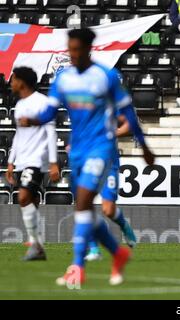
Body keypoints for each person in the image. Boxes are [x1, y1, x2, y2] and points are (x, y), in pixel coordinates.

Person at [19, 28, 155, 286]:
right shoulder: (64, 78)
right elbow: (50, 112)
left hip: (101, 148)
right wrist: (33, 119)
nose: (72, 54)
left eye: (77, 49)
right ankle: (118, 253)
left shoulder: (105, 77)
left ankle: (77, 267)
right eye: (70, 49)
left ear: (88, 49)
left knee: (83, 204)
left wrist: (145, 147)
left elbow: (127, 111)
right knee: (85, 211)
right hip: (78, 150)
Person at [6, 66, 59, 261]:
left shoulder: (42, 102)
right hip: (22, 161)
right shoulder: (20, 105)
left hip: (36, 160)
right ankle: (37, 246)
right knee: (32, 203)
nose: (11, 83)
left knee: (22, 198)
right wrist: (11, 162)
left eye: (13, 79)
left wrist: (53, 162)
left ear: (22, 81)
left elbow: (51, 133)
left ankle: (35, 245)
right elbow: (18, 136)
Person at [85, 115, 137, 262]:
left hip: (109, 164)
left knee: (108, 210)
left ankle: (124, 225)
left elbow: (129, 123)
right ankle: (94, 250)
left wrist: (113, 133)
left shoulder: (108, 103)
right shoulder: (80, 105)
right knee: (84, 206)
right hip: (87, 162)